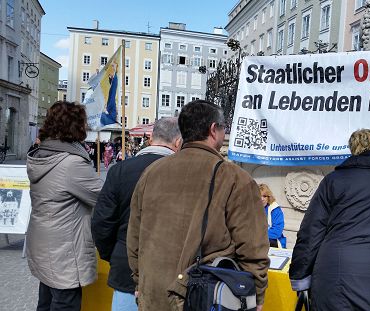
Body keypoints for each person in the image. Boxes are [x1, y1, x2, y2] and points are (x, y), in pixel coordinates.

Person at [127, 100, 269, 311]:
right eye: (223, 128)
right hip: (203, 297)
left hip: (153, 294)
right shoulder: (235, 178)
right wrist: (255, 295)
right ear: (214, 130)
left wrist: (140, 281)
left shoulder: (152, 172)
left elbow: (135, 238)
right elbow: (253, 248)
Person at [289, 129, 370, 311]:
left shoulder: (334, 180)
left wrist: (299, 277)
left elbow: (312, 231)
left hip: (339, 280)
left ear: (353, 149)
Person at [92, 117, 182, 311]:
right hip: (169, 272)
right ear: (178, 142)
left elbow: (101, 223)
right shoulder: (184, 174)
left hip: (126, 267)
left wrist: (115, 254)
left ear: (150, 139)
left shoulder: (120, 171)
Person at [26, 101, 103, 311]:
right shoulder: (71, 163)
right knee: (64, 304)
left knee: (46, 301)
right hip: (64, 250)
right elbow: (103, 198)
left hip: (45, 242)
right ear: (75, 126)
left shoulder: (43, 153)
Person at [259, 183, 287, 248]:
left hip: (272, 241)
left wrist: (258, 235)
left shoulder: (275, 209)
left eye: (264, 196)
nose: (262, 199)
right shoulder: (253, 208)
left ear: (268, 197)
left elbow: (277, 231)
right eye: (259, 196)